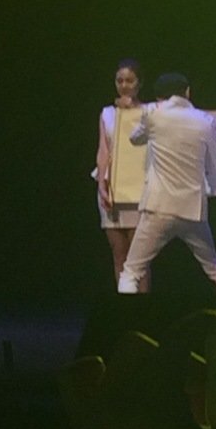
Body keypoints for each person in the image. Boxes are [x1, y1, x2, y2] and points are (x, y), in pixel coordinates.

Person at [117, 73, 216, 322]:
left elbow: (134, 138)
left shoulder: (153, 115)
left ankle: (123, 322)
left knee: (132, 270)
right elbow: (215, 169)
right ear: (188, 92)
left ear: (160, 97)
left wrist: (147, 112)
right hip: (193, 209)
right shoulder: (205, 120)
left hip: (158, 207)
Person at [95, 58, 150, 290]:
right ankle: (124, 304)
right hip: (112, 188)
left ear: (139, 83)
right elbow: (103, 151)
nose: (124, 85)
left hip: (139, 188)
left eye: (129, 80)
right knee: (119, 254)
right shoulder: (108, 113)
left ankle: (144, 304)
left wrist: (130, 112)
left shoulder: (149, 112)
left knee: (139, 259)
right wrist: (101, 185)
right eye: (120, 81)